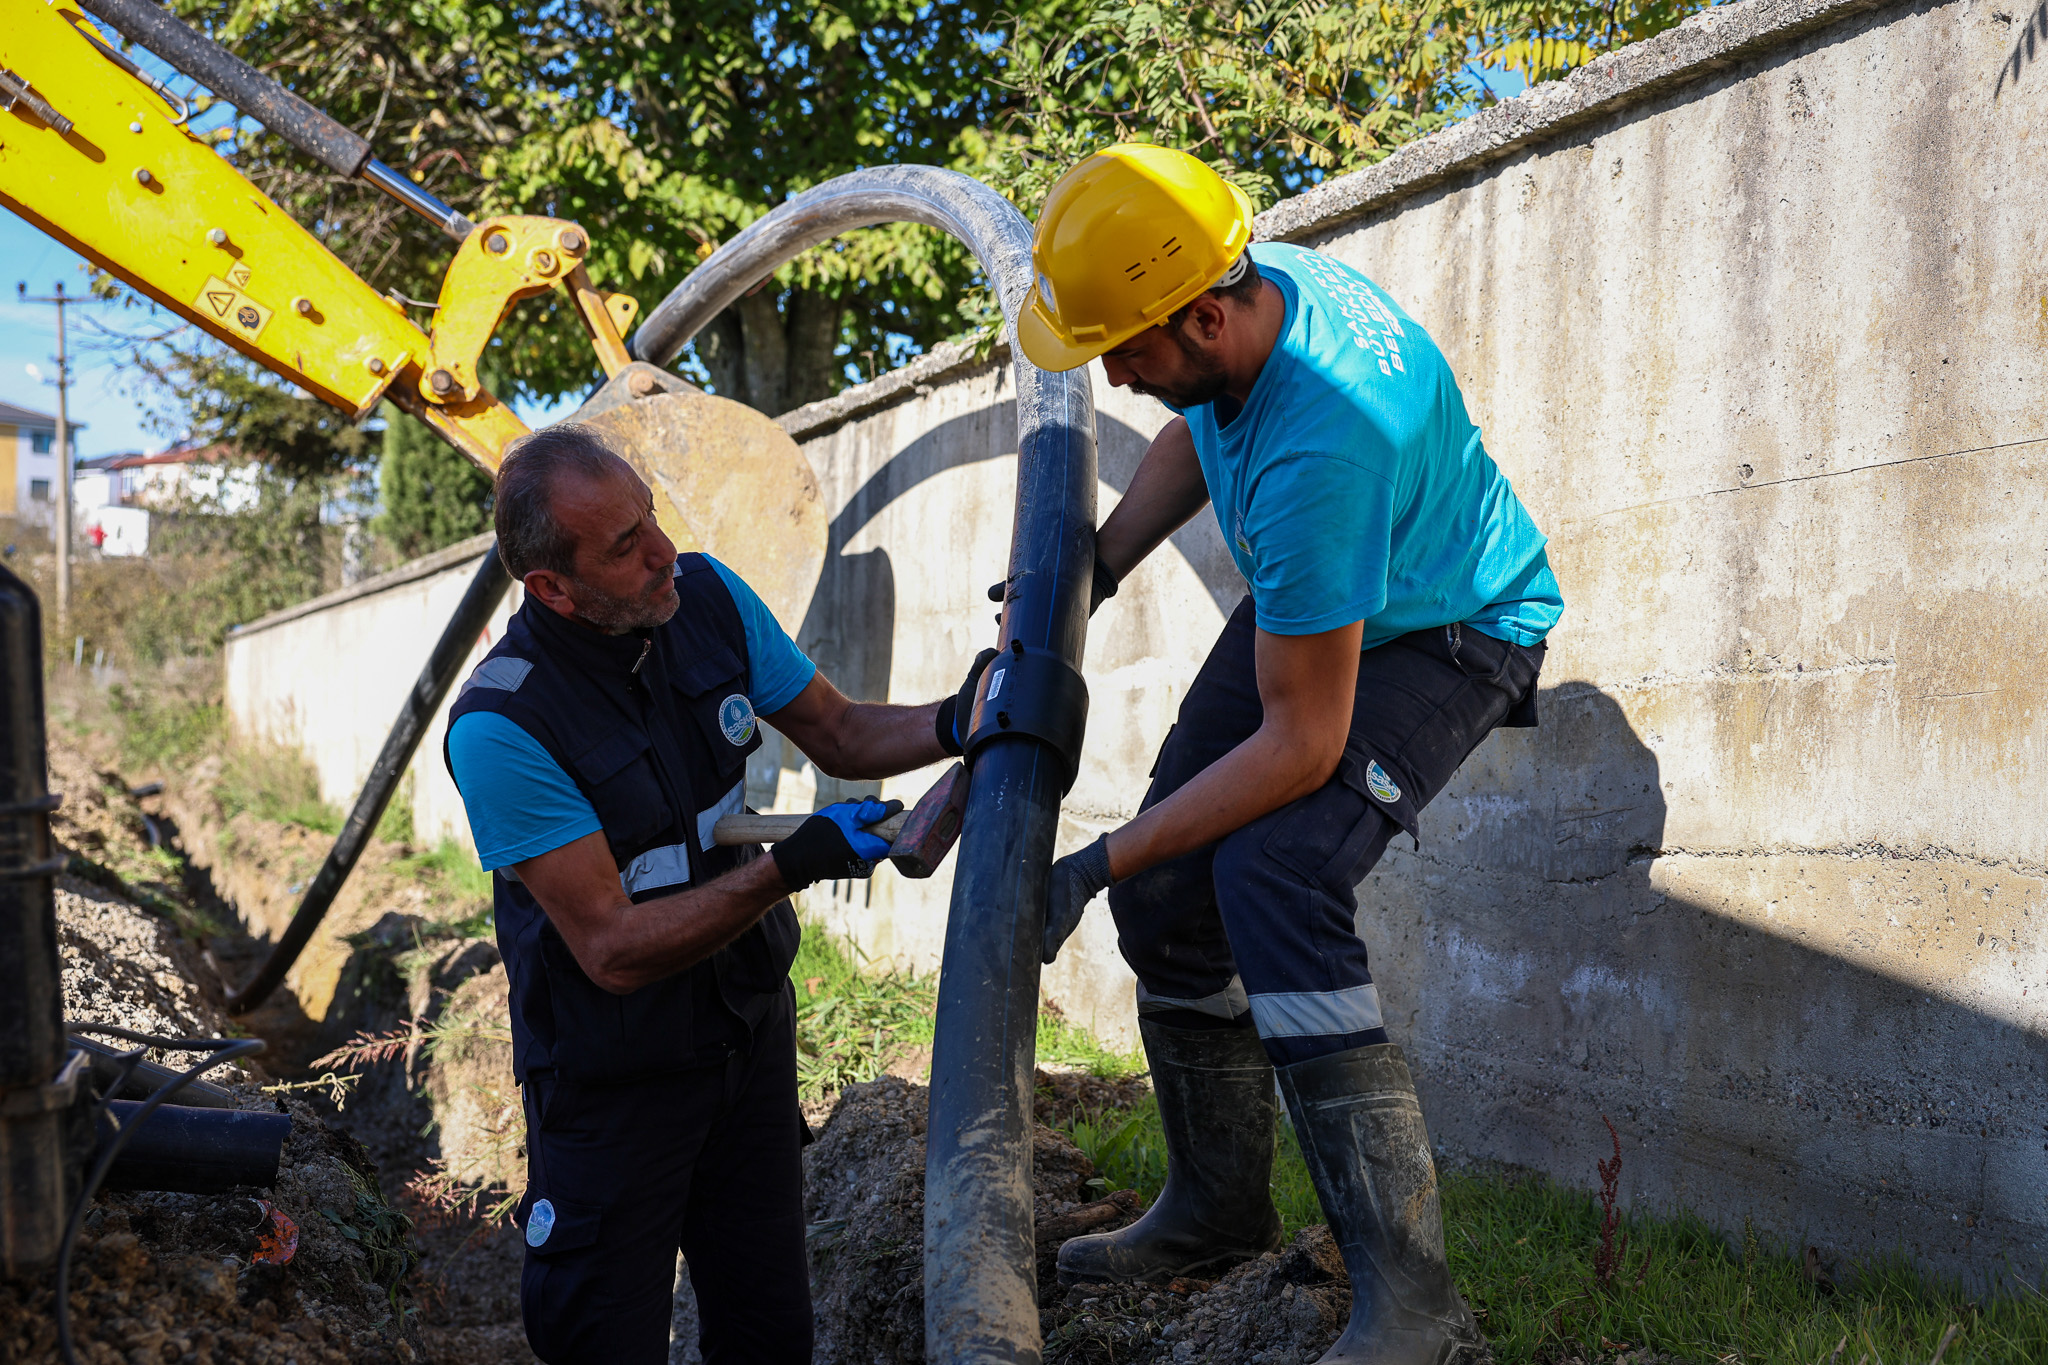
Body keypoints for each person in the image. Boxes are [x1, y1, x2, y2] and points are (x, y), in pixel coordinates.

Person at [1024, 145, 1563, 1365]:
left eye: (1126, 348)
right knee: (1175, 884)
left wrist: (1088, 864)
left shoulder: (1326, 446)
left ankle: (1412, 1300)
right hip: (1338, 594)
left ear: (1206, 313)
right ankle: (1215, 1207)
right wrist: (1099, 564)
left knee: (1272, 874)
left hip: (1448, 627)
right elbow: (1202, 425)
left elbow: (1300, 743)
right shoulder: (1244, 302)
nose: (1112, 372)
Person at [443, 425, 983, 1364]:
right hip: (614, 1084)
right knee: (601, 1338)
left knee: (769, 1333)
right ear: (553, 588)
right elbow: (609, 947)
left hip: (746, 1042)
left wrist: (961, 717)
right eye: (624, 545)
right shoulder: (504, 725)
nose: (662, 552)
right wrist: (790, 867)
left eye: (650, 515)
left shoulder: (711, 601)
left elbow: (844, 733)